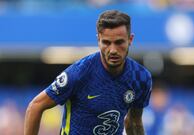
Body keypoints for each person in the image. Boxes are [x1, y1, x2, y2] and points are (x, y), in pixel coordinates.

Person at [24, 10, 152, 135]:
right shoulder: (79, 73)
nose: (113, 50)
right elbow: (35, 106)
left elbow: (134, 122)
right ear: (98, 40)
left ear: (130, 39)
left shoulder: (140, 77)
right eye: (106, 42)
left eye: (119, 42)